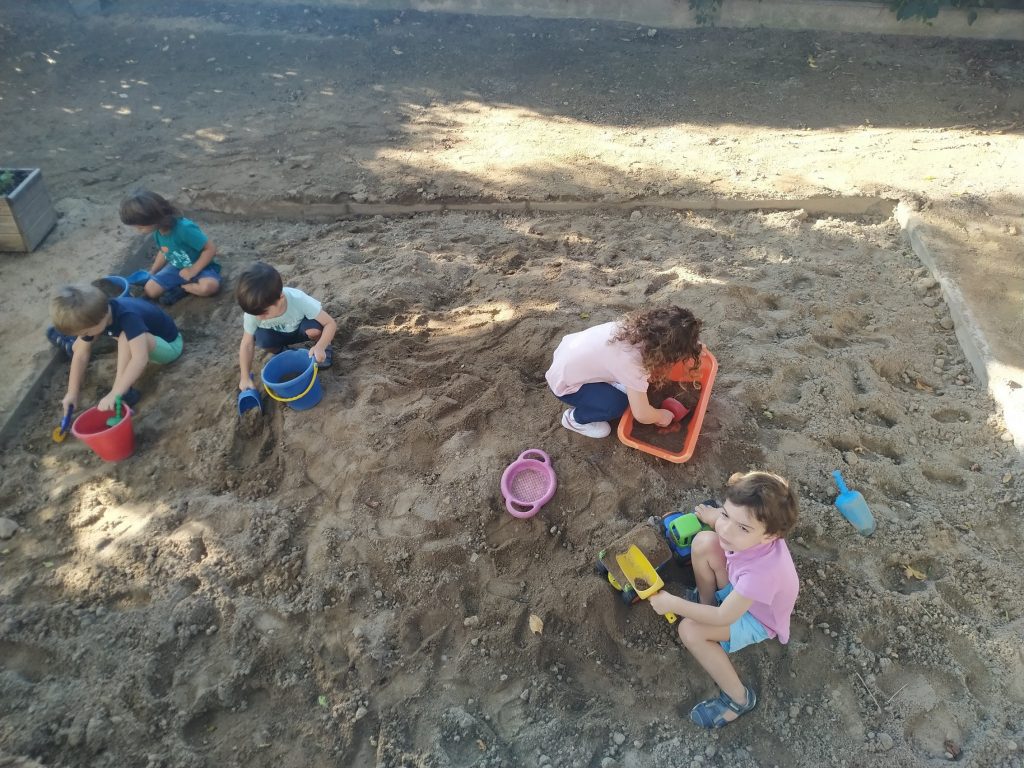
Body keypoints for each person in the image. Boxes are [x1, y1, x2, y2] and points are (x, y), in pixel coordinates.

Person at [648, 471, 800, 729]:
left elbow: (724, 616)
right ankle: (704, 603)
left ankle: (738, 699)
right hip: (739, 592)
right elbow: (730, 522)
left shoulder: (762, 574)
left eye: (742, 528)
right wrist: (715, 517)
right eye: (727, 515)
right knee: (704, 541)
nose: (726, 529)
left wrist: (673, 604)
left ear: (770, 536)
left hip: (756, 618)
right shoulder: (752, 529)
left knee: (690, 630)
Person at [545, 306, 702, 438]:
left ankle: (606, 386)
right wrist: (661, 416)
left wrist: (692, 346)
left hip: (570, 358)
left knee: (632, 390)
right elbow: (642, 415)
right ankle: (574, 419)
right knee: (618, 405)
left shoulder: (632, 329)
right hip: (567, 384)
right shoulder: (632, 363)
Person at [47, 284, 183, 413]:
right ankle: (72, 344)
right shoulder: (100, 313)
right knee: (79, 346)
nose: (84, 335)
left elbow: (139, 360)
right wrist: (72, 393)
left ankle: (124, 390)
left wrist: (115, 392)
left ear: (101, 318)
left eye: (85, 332)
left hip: (170, 347)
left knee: (125, 337)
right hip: (140, 340)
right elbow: (81, 355)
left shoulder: (128, 317)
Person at [235, 262, 338, 391]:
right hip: (278, 335)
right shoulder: (256, 311)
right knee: (262, 340)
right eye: (255, 314)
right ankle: (283, 352)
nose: (259, 318)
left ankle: (323, 350)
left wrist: (321, 346)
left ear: (280, 298)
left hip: (301, 329)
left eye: (264, 313)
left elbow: (330, 323)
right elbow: (246, 344)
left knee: (315, 330)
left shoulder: (298, 300)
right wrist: (245, 377)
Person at [119, 190, 221, 305]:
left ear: (153, 219)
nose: (138, 231)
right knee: (150, 290)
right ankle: (182, 287)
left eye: (140, 227)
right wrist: (153, 271)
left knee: (209, 287)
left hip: (201, 266)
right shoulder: (158, 231)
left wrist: (193, 270)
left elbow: (210, 248)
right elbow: (164, 251)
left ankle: (184, 288)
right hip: (177, 267)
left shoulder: (184, 229)